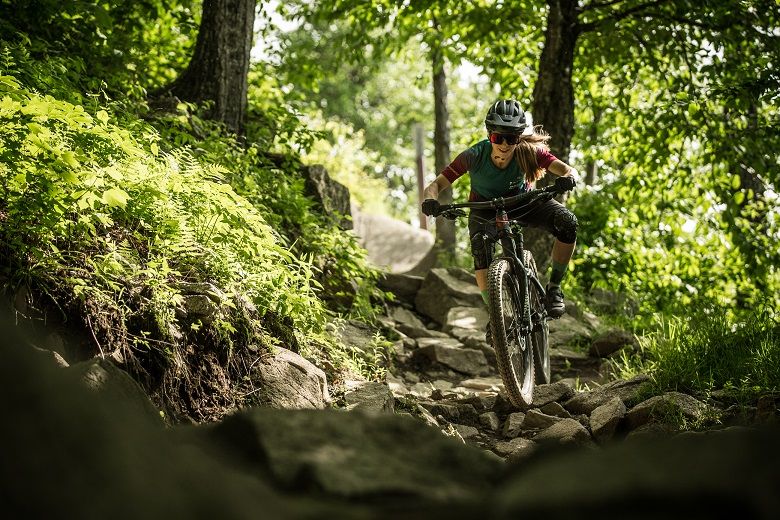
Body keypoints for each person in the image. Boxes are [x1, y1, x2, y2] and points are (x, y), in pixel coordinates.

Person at [421, 98, 578, 319]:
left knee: (567, 222)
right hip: (484, 207)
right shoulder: (473, 155)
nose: (504, 144)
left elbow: (568, 170)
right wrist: (430, 201)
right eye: (498, 137)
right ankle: (496, 318)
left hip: (524, 202)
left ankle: (554, 288)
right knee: (480, 251)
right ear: (489, 135)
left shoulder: (529, 151)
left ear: (519, 138)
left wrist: (569, 178)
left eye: (511, 138)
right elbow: (436, 185)